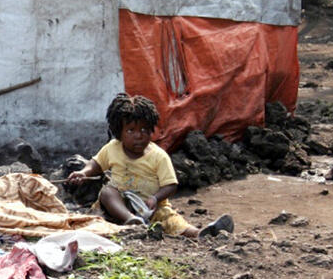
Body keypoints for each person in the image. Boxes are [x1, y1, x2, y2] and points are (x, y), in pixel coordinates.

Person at [66, 93, 233, 238]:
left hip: (150, 207)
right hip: (119, 204)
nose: (139, 136)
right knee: (108, 192)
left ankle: (202, 233)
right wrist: (84, 172)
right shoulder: (112, 148)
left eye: (144, 130)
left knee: (173, 222)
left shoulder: (158, 156)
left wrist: (155, 198)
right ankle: (131, 221)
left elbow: (170, 184)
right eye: (131, 130)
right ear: (119, 132)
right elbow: (96, 164)